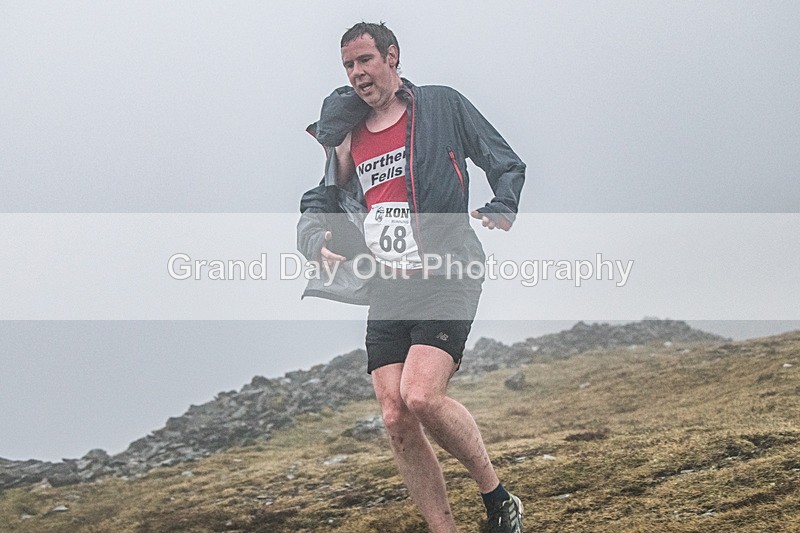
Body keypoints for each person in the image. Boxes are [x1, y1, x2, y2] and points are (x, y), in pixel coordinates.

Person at [299, 22, 526, 533]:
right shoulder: (346, 137)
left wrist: (503, 203)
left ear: (392, 57)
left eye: (364, 61)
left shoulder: (442, 107)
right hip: (389, 284)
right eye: (348, 67)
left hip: (448, 271)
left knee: (421, 396)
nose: (357, 74)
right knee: (395, 416)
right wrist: (316, 239)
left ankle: (497, 499)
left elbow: (501, 158)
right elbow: (322, 199)